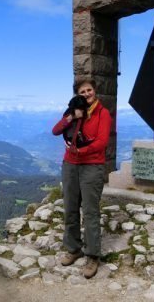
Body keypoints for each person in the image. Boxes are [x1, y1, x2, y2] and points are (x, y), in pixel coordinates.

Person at [52, 77, 112, 278]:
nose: (86, 94)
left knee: (90, 211)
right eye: (82, 92)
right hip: (70, 166)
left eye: (89, 90)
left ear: (95, 91)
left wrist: (79, 151)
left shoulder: (103, 114)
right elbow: (56, 130)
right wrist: (71, 117)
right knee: (70, 208)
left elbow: (102, 142)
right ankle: (73, 249)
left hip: (91, 167)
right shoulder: (74, 111)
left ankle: (93, 256)